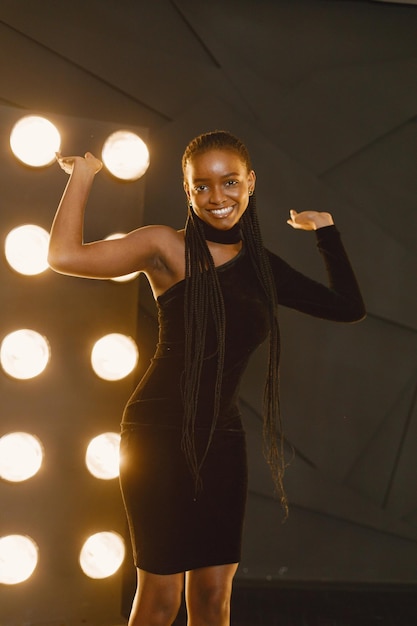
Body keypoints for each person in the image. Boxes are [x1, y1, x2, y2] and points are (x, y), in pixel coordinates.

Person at [48, 130, 365, 626]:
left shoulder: (263, 267)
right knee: (159, 598)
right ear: (187, 190)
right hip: (159, 435)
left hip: (223, 436)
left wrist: (326, 231)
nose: (218, 197)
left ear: (251, 183)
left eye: (230, 182)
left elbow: (348, 308)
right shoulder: (164, 247)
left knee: (215, 596)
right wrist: (84, 176)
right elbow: (65, 256)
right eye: (202, 186)